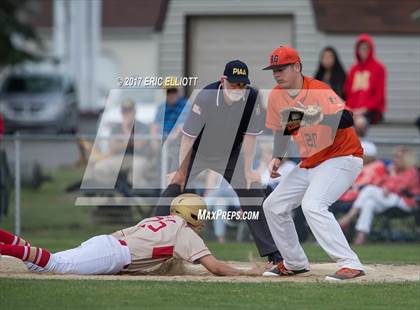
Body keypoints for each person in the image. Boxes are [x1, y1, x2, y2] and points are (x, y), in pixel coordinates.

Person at [155, 60, 283, 264]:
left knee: (252, 191)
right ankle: (148, 242)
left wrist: (249, 170)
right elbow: (188, 137)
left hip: (229, 153)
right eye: (233, 84)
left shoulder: (251, 98)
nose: (238, 89)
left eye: (242, 85)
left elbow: (250, 135)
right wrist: (180, 172)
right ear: (222, 80)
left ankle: (273, 253)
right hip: (197, 150)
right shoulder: (206, 97)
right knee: (174, 187)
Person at [261, 46, 365, 281]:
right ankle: (295, 262)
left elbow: (349, 118)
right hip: (314, 161)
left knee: (313, 205)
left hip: (343, 156)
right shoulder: (277, 95)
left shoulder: (318, 89)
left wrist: (319, 116)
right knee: (273, 205)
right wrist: (278, 156)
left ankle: (351, 263)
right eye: (273, 69)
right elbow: (283, 128)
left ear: (296, 66)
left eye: (281, 68)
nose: (277, 73)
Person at [0, 194, 265, 276]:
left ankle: (6, 240)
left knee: (39, 265)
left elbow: (118, 233)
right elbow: (214, 267)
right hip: (113, 254)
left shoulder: (159, 219)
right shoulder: (185, 233)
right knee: (53, 265)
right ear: (193, 215)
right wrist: (246, 272)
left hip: (105, 243)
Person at [339, 146, 420, 245]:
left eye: (398, 157)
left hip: (407, 203)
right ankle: (361, 236)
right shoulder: (395, 170)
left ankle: (348, 217)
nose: (395, 160)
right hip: (391, 200)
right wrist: (389, 179)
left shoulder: (411, 172)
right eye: (394, 157)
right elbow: (382, 184)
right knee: (369, 203)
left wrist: (392, 176)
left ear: (406, 159)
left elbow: (398, 189)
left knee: (369, 190)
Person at [89, 99, 150, 188]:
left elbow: (139, 145)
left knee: (136, 172)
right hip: (119, 157)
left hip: (138, 157)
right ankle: (113, 190)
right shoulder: (116, 127)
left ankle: (142, 194)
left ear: (134, 112)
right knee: (100, 167)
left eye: (129, 112)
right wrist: (128, 140)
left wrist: (125, 134)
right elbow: (112, 147)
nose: (127, 115)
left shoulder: (142, 126)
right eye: (124, 112)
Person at [344, 34, 386, 136]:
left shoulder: (379, 68)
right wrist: (352, 110)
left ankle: (362, 150)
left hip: (371, 110)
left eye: (367, 47)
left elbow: (379, 96)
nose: (364, 50)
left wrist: (363, 110)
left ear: (371, 49)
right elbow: (348, 93)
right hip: (353, 110)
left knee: (359, 123)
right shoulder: (353, 69)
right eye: (361, 48)